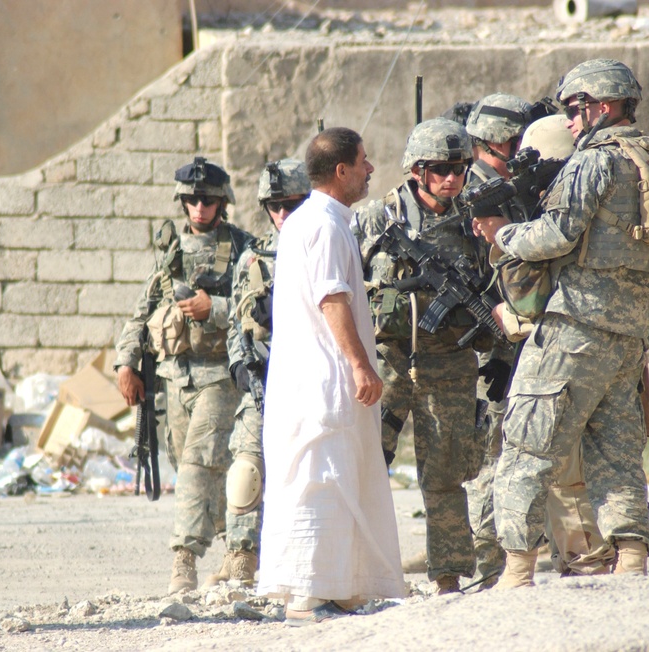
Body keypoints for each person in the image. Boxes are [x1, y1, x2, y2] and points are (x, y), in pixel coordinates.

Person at [475, 59, 649, 587]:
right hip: (629, 332)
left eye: (575, 109)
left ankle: (516, 570)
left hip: (575, 325)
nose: (569, 122)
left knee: (526, 444)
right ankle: (631, 557)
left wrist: (502, 236)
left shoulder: (595, 161)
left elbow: (557, 235)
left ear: (602, 107)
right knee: (616, 449)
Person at [258, 127, 403, 625]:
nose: (369, 169)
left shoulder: (319, 221)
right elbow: (331, 298)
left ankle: (338, 586)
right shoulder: (322, 224)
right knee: (319, 480)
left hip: (320, 378)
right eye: (363, 161)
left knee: (341, 478)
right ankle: (307, 594)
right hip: (322, 378)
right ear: (340, 170)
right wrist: (361, 363)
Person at [468, 113, 614, 586]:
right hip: (610, 343)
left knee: (551, 459)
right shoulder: (604, 200)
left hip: (559, 351)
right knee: (596, 457)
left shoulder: (556, 215)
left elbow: (529, 298)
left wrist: (503, 242)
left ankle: (570, 558)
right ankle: (599, 553)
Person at [353, 117, 487, 595]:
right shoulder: (376, 218)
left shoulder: (474, 221)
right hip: (386, 359)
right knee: (365, 464)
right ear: (416, 170)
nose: (450, 179)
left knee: (446, 472)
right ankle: (356, 570)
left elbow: (496, 285)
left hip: (450, 362)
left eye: (459, 168)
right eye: (438, 169)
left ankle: (448, 574)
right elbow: (340, 278)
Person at [113, 157, 253, 594]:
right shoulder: (170, 253)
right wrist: (126, 362)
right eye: (191, 199)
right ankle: (241, 550)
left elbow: (259, 311)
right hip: (175, 379)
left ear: (222, 202)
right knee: (202, 466)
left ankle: (184, 561)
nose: (199, 207)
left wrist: (217, 310)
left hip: (221, 377)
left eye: (208, 199)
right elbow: (142, 310)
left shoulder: (244, 250)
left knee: (198, 464)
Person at [205, 158, 311, 587]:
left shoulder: (323, 244)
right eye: (275, 206)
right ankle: (241, 558)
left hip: (308, 380)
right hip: (262, 377)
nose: (283, 214)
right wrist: (239, 366)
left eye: (291, 204)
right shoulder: (253, 256)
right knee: (245, 470)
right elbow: (236, 321)